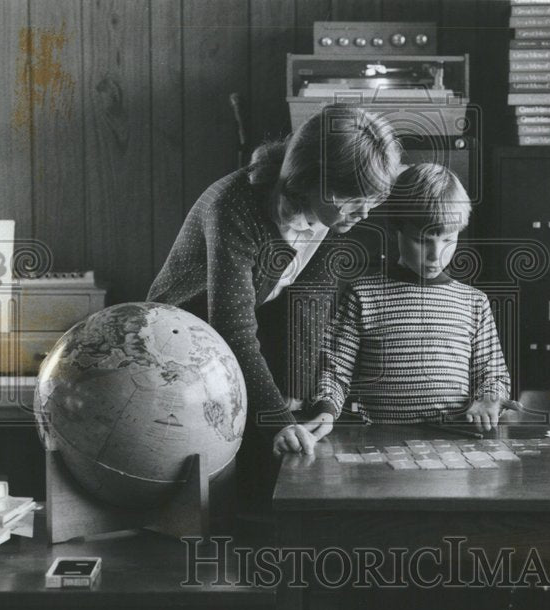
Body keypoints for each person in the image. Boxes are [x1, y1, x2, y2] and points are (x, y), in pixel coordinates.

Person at [147, 106, 402, 461]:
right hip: (176, 341)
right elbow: (231, 327)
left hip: (250, 325)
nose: (365, 213)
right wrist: (278, 420)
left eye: (373, 199)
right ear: (309, 180)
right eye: (353, 199)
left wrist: (305, 404)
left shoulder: (334, 217)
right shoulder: (232, 207)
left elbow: (311, 308)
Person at [300, 163, 511, 440]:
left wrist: (489, 399)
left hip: (453, 442)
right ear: (395, 231)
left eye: (448, 239)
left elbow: (493, 375)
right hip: (380, 441)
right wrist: (325, 411)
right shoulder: (362, 295)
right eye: (422, 241)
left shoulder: (474, 303)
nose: (436, 255)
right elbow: (334, 370)